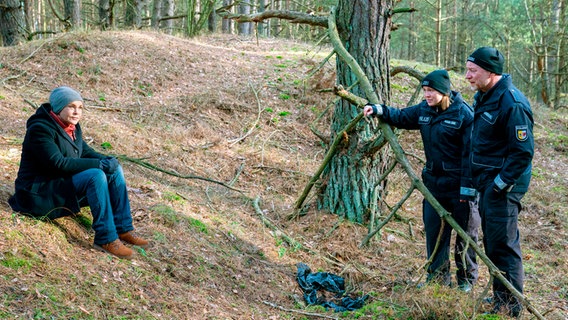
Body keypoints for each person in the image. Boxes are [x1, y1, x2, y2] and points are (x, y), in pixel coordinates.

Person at [364, 69, 480, 292]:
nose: (427, 95)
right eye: (425, 90)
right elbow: (401, 116)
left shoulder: (464, 115)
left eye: (431, 91)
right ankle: (437, 278)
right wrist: (378, 109)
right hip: (433, 186)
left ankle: (466, 279)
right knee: (434, 232)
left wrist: (468, 190)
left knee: (465, 234)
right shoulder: (424, 110)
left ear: (444, 92)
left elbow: (471, 155)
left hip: (460, 187)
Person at [8, 86, 149, 259]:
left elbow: (84, 152)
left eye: (80, 107)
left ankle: (123, 228)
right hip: (37, 193)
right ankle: (106, 239)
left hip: (59, 186)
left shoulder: (71, 127)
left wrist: (107, 160)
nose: (76, 112)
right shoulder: (40, 129)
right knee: (96, 175)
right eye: (71, 106)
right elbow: (58, 163)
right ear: (59, 107)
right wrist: (99, 165)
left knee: (114, 169)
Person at [465, 47, 534, 317]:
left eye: (473, 71)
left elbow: (523, 152)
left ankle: (511, 307)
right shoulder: (485, 96)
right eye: (468, 69)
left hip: (503, 188)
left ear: (490, 72)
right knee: (493, 244)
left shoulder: (512, 103)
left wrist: (498, 185)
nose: (467, 75)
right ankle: (500, 300)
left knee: (504, 246)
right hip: (488, 185)